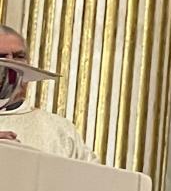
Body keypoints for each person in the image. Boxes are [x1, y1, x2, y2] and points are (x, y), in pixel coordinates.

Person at [0, 25, 99, 162]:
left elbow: (92, 173)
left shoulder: (60, 131)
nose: (12, 65)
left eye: (19, 57)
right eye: (1, 57)